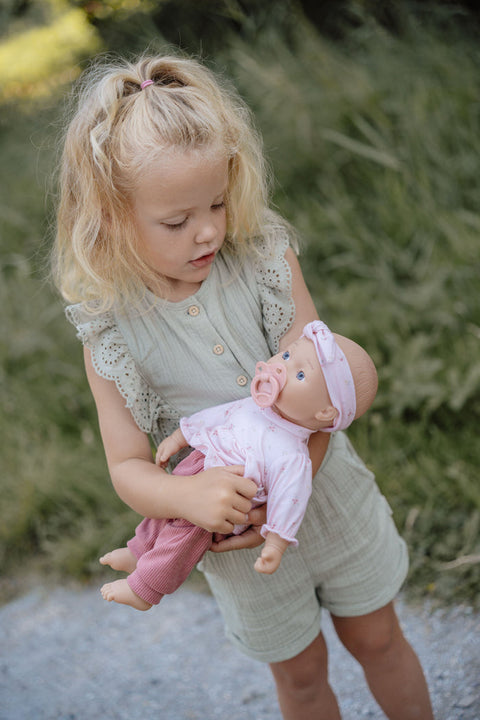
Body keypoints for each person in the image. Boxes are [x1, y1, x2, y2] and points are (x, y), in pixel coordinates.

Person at [53, 53, 434, 720]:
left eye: (218, 204)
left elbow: (321, 400)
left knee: (379, 640)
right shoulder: (111, 335)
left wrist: (285, 491)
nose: (207, 230)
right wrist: (187, 496)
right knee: (303, 677)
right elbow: (127, 467)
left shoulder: (262, 261)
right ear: (111, 216)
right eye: (177, 221)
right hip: (234, 550)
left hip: (333, 504)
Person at [99, 320, 378, 609]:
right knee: (166, 513)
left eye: (299, 373)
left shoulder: (293, 457)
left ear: (324, 412)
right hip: (199, 465)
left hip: (226, 499)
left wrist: (275, 543)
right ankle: (139, 551)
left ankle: (146, 589)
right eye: (285, 356)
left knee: (183, 536)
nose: (281, 367)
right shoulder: (256, 405)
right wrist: (180, 437)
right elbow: (217, 415)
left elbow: (290, 499)